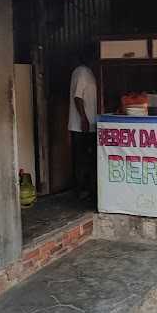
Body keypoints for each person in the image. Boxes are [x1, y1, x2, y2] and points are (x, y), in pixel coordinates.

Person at [68, 47, 98, 205]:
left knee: (88, 158)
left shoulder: (89, 72)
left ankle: (86, 189)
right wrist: (84, 119)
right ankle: (80, 191)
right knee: (81, 159)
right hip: (81, 126)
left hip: (89, 124)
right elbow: (78, 98)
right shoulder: (81, 72)